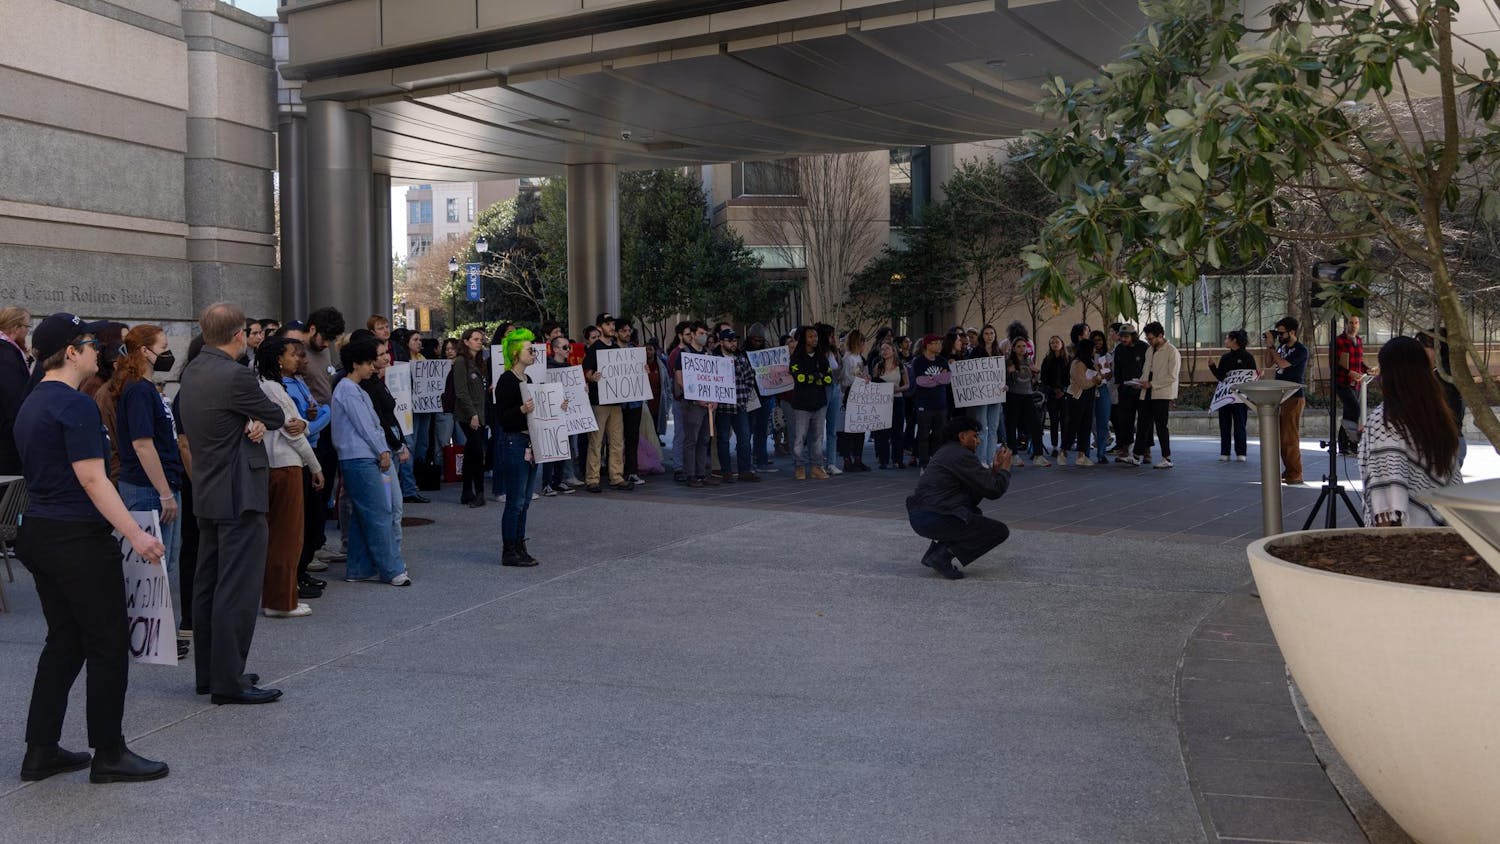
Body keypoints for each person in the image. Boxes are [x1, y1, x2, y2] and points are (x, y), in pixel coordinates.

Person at [13, 313, 170, 784]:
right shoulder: (73, 405)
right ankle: (110, 753)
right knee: (106, 643)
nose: (99, 349)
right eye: (89, 342)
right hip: (76, 538)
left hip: (41, 533)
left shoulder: (33, 401)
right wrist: (137, 535)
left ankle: (40, 751)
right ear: (71, 350)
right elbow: (91, 479)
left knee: (66, 640)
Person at [177, 302, 287, 705]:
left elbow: (222, 421)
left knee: (207, 586)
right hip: (239, 492)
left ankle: (211, 673)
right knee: (236, 590)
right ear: (239, 335)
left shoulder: (193, 371)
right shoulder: (236, 376)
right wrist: (254, 419)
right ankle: (229, 680)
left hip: (208, 491)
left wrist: (247, 421)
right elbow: (274, 415)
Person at [101, 325, 187, 655]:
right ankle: (144, 636)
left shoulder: (145, 387)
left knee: (160, 565)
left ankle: (151, 634)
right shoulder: (138, 389)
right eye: (162, 347)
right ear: (143, 352)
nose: (167, 352)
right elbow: (141, 443)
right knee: (151, 565)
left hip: (155, 483)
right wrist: (165, 492)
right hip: (148, 487)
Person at [1359, 336, 1464, 526]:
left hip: (1406, 539)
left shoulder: (1385, 420)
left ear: (1390, 373)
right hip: (1444, 530)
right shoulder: (1437, 415)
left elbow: (1389, 505)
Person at [332, 337, 411, 587]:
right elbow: (366, 425)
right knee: (379, 512)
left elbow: (370, 424)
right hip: (360, 457)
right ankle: (392, 568)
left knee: (363, 515)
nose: (372, 367)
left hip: (360, 456)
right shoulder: (348, 389)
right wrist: (382, 451)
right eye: (368, 363)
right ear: (355, 364)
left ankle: (358, 567)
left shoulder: (352, 388)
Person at [256, 337, 323, 617]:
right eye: (292, 354)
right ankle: (281, 601)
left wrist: (304, 423)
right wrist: (315, 466)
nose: (298, 358)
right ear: (278, 360)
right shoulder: (272, 388)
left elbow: (299, 424)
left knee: (282, 535)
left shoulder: (271, 386)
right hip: (285, 466)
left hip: (278, 465)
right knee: (288, 536)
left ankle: (280, 597)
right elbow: (292, 431)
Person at [904, 417, 1014, 581]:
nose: (978, 441)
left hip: (924, 515)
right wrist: (1005, 470)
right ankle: (942, 556)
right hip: (934, 516)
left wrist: (994, 471)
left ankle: (936, 552)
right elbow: (994, 490)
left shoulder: (948, 451)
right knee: (998, 531)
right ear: (962, 437)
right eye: (974, 436)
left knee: (973, 514)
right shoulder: (961, 455)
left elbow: (978, 490)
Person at [279, 336, 332, 598]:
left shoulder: (299, 382)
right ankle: (295, 575)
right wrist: (313, 422)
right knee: (302, 520)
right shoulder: (281, 386)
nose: (303, 359)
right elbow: (297, 426)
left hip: (311, 448)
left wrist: (314, 419)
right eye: (295, 355)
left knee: (314, 517)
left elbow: (321, 410)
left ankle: (302, 571)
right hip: (299, 455)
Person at [495, 328, 545, 566]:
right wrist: (522, 411)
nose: (533, 352)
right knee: (516, 499)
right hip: (515, 441)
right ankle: (510, 549)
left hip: (528, 441)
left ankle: (519, 544)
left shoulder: (528, 380)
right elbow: (503, 418)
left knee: (523, 499)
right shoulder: (507, 380)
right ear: (516, 353)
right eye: (529, 349)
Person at [582, 313, 630, 492]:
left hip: (616, 401)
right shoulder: (595, 348)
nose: (611, 327)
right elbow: (585, 370)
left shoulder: (617, 349)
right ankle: (592, 479)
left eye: (612, 324)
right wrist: (591, 377)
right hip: (599, 401)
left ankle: (616, 476)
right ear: (600, 327)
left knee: (617, 441)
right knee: (596, 441)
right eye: (608, 324)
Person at [1126, 321, 1180, 469]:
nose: (1149, 341)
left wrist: (1152, 384)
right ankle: (1136, 456)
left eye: (1151, 338)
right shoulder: (1150, 350)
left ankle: (1166, 457)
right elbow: (1146, 370)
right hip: (1146, 391)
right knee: (1142, 424)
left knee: (1161, 426)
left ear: (1160, 336)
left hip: (1162, 393)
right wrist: (1141, 382)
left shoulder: (1172, 351)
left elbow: (1172, 376)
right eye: (1148, 338)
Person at [714, 328, 760, 482]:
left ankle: (744, 470)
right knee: (723, 439)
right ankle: (726, 471)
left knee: (744, 437)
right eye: (730, 340)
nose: (733, 343)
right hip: (722, 407)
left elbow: (750, 377)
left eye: (735, 341)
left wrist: (744, 396)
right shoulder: (714, 359)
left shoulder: (741, 358)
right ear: (721, 342)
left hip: (740, 405)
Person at [674, 321, 716, 487]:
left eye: (705, 333)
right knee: (691, 439)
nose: (704, 336)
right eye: (700, 333)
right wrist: (697, 397)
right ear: (692, 334)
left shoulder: (709, 354)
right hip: (692, 403)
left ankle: (701, 474)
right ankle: (690, 474)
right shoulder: (683, 354)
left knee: (704, 439)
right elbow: (680, 379)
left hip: (708, 404)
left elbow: (715, 379)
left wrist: (714, 399)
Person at [787, 325, 831, 480]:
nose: (815, 339)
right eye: (811, 336)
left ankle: (816, 467)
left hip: (819, 402)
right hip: (801, 404)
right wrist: (817, 377)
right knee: (800, 437)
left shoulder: (821, 357)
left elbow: (829, 377)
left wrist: (813, 377)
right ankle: (799, 466)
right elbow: (799, 377)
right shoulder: (797, 358)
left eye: (816, 336)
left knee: (818, 437)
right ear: (804, 339)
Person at [1268, 316, 1309, 484]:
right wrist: (1269, 346)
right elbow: (1269, 362)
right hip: (1280, 396)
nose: (1279, 336)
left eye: (1281, 332)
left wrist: (1272, 346)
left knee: (1290, 437)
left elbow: (1283, 364)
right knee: (1281, 437)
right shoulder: (1282, 347)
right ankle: (1288, 469)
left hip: (1294, 396)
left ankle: (1296, 473)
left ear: (1292, 332)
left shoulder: (1301, 350)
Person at [453, 327, 488, 506]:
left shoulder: (479, 362)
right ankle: (479, 492)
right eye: (475, 339)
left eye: (480, 339)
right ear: (466, 342)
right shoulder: (461, 362)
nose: (479, 341)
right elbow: (461, 391)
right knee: (476, 453)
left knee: (470, 452)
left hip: (479, 413)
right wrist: (472, 414)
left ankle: (467, 491)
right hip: (469, 415)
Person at [1209, 330, 1257, 462]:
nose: (1225, 341)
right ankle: (1225, 452)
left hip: (1241, 398)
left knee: (1240, 425)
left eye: (1227, 338)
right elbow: (1221, 377)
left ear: (1234, 340)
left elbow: (1251, 377)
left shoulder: (1248, 357)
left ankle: (1241, 452)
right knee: (1224, 424)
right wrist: (1212, 367)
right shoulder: (1225, 357)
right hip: (1225, 397)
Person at [1004, 332, 1049, 467]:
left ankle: (1038, 455)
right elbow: (1001, 379)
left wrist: (1036, 372)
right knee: (1012, 425)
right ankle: (1013, 455)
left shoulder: (1029, 360)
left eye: (1024, 346)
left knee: (1035, 424)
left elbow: (1032, 379)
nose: (1022, 349)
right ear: (1013, 348)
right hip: (1013, 395)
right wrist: (1008, 371)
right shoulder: (1008, 361)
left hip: (1028, 395)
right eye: (1018, 346)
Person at [908, 333, 951, 468]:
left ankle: (936, 462)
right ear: (928, 345)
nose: (940, 346)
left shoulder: (942, 361)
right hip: (924, 405)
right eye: (936, 343)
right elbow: (920, 381)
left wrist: (933, 379)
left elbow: (948, 379)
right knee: (923, 435)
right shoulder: (919, 361)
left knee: (939, 436)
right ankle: (924, 464)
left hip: (941, 404)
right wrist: (939, 377)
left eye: (940, 343)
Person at [968, 324, 1006, 469]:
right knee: (982, 427)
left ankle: (990, 459)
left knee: (994, 427)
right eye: (986, 334)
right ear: (982, 336)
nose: (989, 336)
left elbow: (1003, 373)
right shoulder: (976, 351)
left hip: (996, 394)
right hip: (981, 395)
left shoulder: (999, 351)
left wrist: (1005, 384)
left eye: (992, 333)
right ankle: (981, 459)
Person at [0, 306, 32, 474]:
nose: (28, 332)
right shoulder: (6, 355)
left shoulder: (10, 352)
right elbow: (13, 401)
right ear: (16, 328)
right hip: (7, 445)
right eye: (27, 327)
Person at [869, 337, 909, 469]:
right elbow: (874, 383)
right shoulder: (878, 366)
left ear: (893, 350)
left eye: (887, 348)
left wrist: (898, 389)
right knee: (882, 431)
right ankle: (883, 459)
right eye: (882, 349)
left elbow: (907, 385)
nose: (884, 351)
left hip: (897, 399)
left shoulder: (901, 366)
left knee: (897, 431)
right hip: (883, 401)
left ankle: (898, 459)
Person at [1064, 339, 1103, 466]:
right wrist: (1094, 380)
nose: (1094, 351)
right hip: (1077, 397)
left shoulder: (1092, 362)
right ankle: (1063, 451)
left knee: (1086, 426)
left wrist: (1098, 378)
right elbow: (1083, 383)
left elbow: (1098, 378)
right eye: (1092, 348)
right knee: (1073, 425)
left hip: (1089, 397)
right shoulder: (1077, 363)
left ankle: (1081, 455)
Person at [837, 329, 871, 472]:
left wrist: (866, 379)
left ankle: (858, 458)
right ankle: (847, 459)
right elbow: (845, 379)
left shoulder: (861, 358)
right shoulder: (848, 358)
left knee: (860, 428)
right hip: (850, 394)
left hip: (860, 394)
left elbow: (863, 373)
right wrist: (860, 379)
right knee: (848, 429)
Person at [1111, 324, 1146, 460]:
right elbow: (1117, 369)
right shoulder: (1119, 349)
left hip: (1141, 388)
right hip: (1125, 389)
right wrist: (1119, 384)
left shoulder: (1143, 347)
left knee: (1144, 420)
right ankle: (1125, 448)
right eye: (1121, 336)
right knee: (1125, 420)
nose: (1123, 339)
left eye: (1126, 336)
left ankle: (1145, 450)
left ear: (1133, 336)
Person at [1333, 316, 1367, 454]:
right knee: (1355, 410)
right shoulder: (1339, 340)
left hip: (1356, 383)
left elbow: (1359, 362)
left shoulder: (1358, 340)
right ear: (1346, 324)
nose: (1353, 325)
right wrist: (1349, 373)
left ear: (1359, 324)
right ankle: (1352, 443)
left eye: (1356, 323)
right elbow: (1335, 363)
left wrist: (1367, 369)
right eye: (1351, 323)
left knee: (1349, 413)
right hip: (1342, 382)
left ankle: (1344, 445)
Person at [1040, 335, 1070, 458]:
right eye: (1052, 342)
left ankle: (1064, 447)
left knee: (1065, 421)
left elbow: (1071, 378)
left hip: (1065, 394)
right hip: (1052, 394)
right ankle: (1054, 446)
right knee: (1053, 421)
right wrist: (1053, 390)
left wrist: (1063, 390)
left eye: (1057, 342)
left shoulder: (1068, 360)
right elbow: (1044, 379)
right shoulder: (1047, 360)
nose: (1054, 344)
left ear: (1062, 344)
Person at [1089, 330, 1113, 464]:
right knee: (1088, 420)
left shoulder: (1106, 356)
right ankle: (1085, 452)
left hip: (1102, 388)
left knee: (1103, 421)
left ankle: (1101, 453)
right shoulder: (1087, 356)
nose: (1097, 343)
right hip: (1088, 388)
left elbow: (1109, 376)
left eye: (1100, 340)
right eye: (1095, 340)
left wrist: (1106, 371)